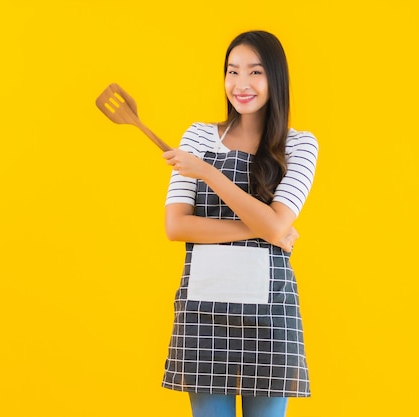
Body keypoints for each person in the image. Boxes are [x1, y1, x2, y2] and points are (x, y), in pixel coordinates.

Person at [161, 30, 318, 417]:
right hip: (204, 311)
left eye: (255, 72)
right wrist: (268, 229)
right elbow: (177, 227)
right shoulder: (197, 137)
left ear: (275, 79)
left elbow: (279, 221)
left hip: (270, 316)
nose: (241, 84)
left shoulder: (299, 145)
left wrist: (208, 174)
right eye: (232, 72)